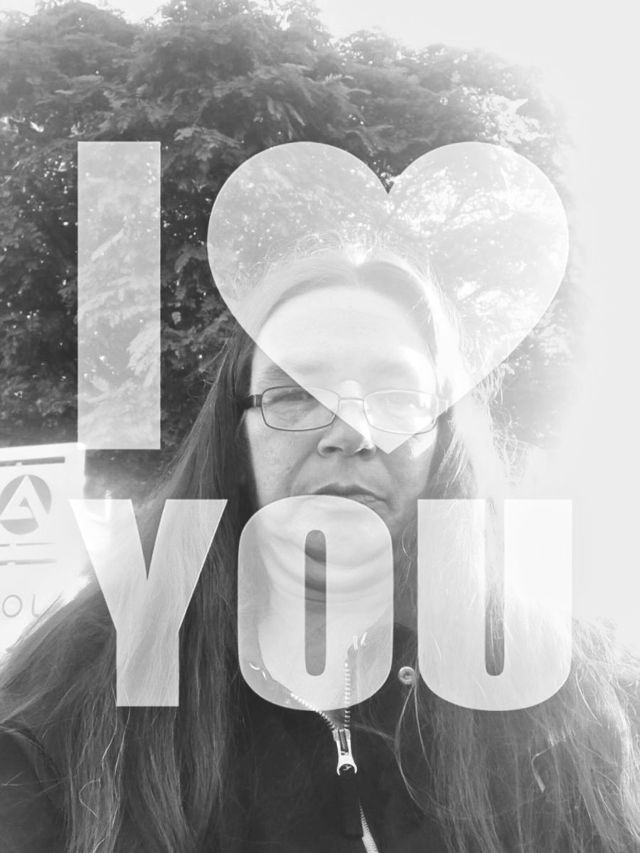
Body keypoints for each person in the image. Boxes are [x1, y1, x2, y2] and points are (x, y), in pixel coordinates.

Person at [1, 247, 639, 853]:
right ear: (235, 439)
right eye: (295, 394)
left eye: (399, 398)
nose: (352, 432)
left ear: (444, 442)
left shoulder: (580, 699)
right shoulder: (76, 698)